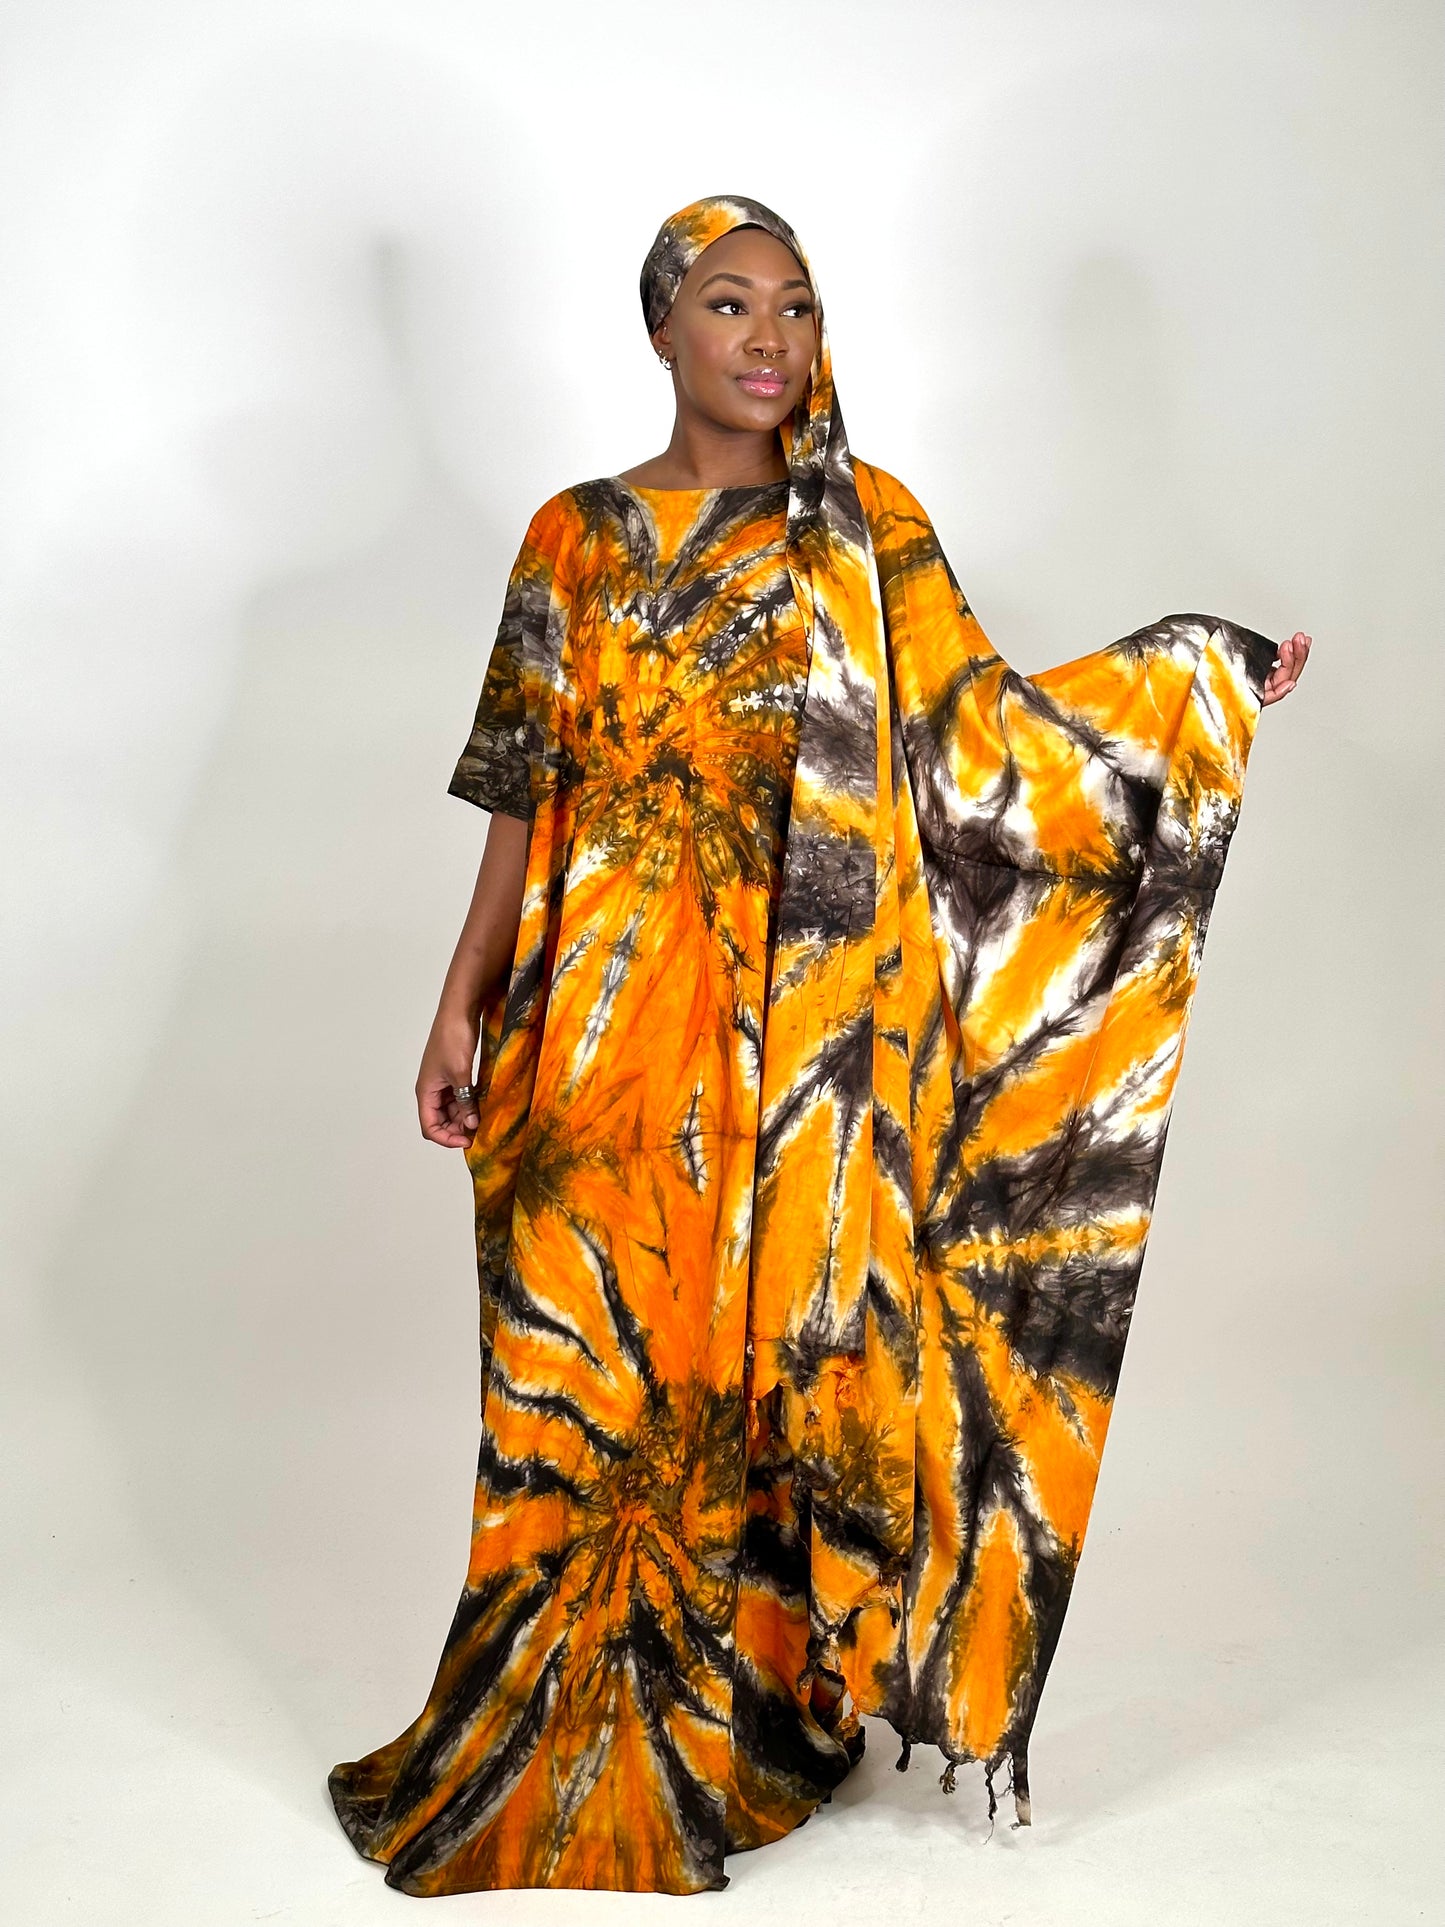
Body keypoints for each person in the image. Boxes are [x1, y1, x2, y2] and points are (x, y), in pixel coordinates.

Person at [327, 195, 1311, 1897]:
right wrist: (459, 995)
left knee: (740, 1374)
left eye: (794, 305)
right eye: (728, 304)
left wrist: (1192, 683)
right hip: (586, 1036)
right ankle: (551, 1734)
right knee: (574, 1375)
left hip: (788, 1061)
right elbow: (522, 790)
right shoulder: (573, 537)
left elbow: (989, 746)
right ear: (660, 329)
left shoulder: (864, 529)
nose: (768, 338)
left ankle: (730, 1733)